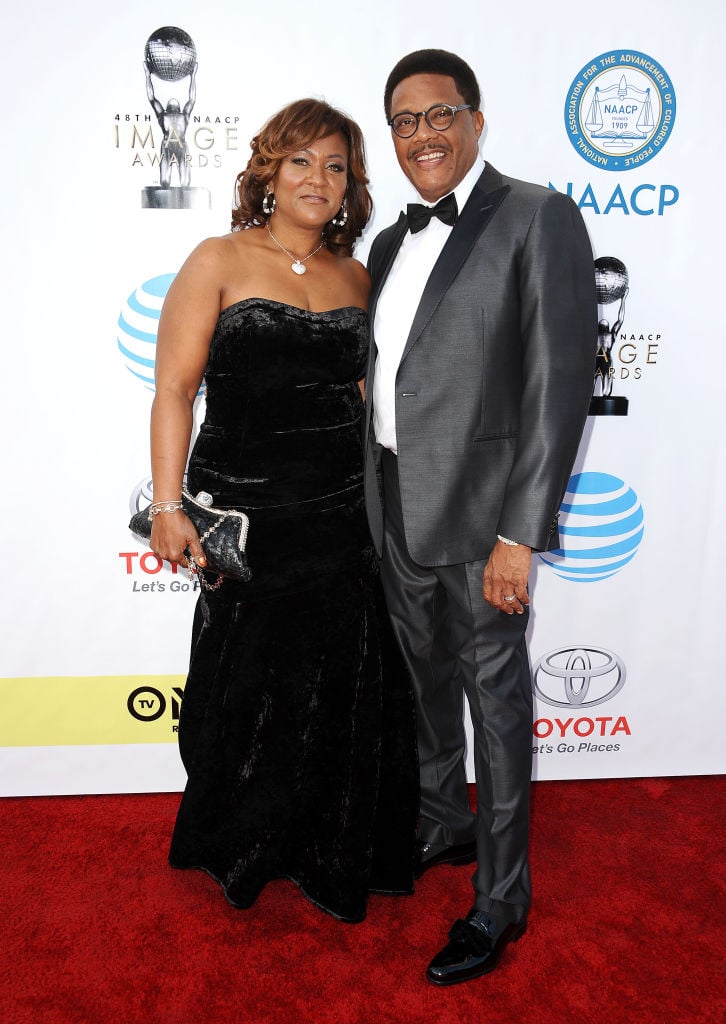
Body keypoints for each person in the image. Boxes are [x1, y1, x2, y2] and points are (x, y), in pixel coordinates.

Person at [148, 98, 418, 923]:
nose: (319, 179)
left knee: (334, 686)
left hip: (340, 516)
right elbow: (173, 391)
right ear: (268, 171)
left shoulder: (358, 275)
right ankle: (243, 840)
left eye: (336, 166)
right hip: (246, 520)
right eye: (301, 161)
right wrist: (168, 502)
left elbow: (377, 400)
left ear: (351, 186)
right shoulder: (217, 258)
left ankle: (322, 841)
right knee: (246, 689)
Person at [363, 50, 596, 982]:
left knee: (494, 712)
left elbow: (557, 388)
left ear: (476, 119)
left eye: (439, 113)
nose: (422, 133)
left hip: (483, 525)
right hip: (392, 508)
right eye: (404, 120)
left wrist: (519, 534)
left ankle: (500, 902)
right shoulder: (387, 242)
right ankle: (443, 822)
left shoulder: (538, 216)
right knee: (421, 690)